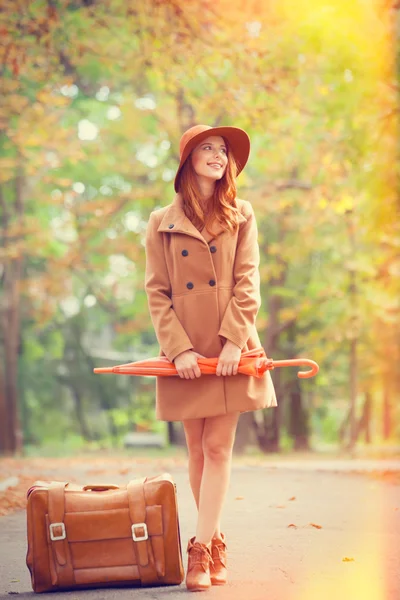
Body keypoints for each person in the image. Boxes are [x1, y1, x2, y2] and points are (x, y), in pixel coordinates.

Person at [144, 124, 277, 592]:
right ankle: (215, 538)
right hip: (185, 351)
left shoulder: (242, 214)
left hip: (230, 347)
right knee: (196, 450)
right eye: (207, 148)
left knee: (218, 447)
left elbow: (248, 282)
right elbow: (157, 293)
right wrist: (178, 349)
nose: (218, 156)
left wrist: (235, 342)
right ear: (188, 160)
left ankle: (199, 552)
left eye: (223, 150)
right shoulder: (161, 221)